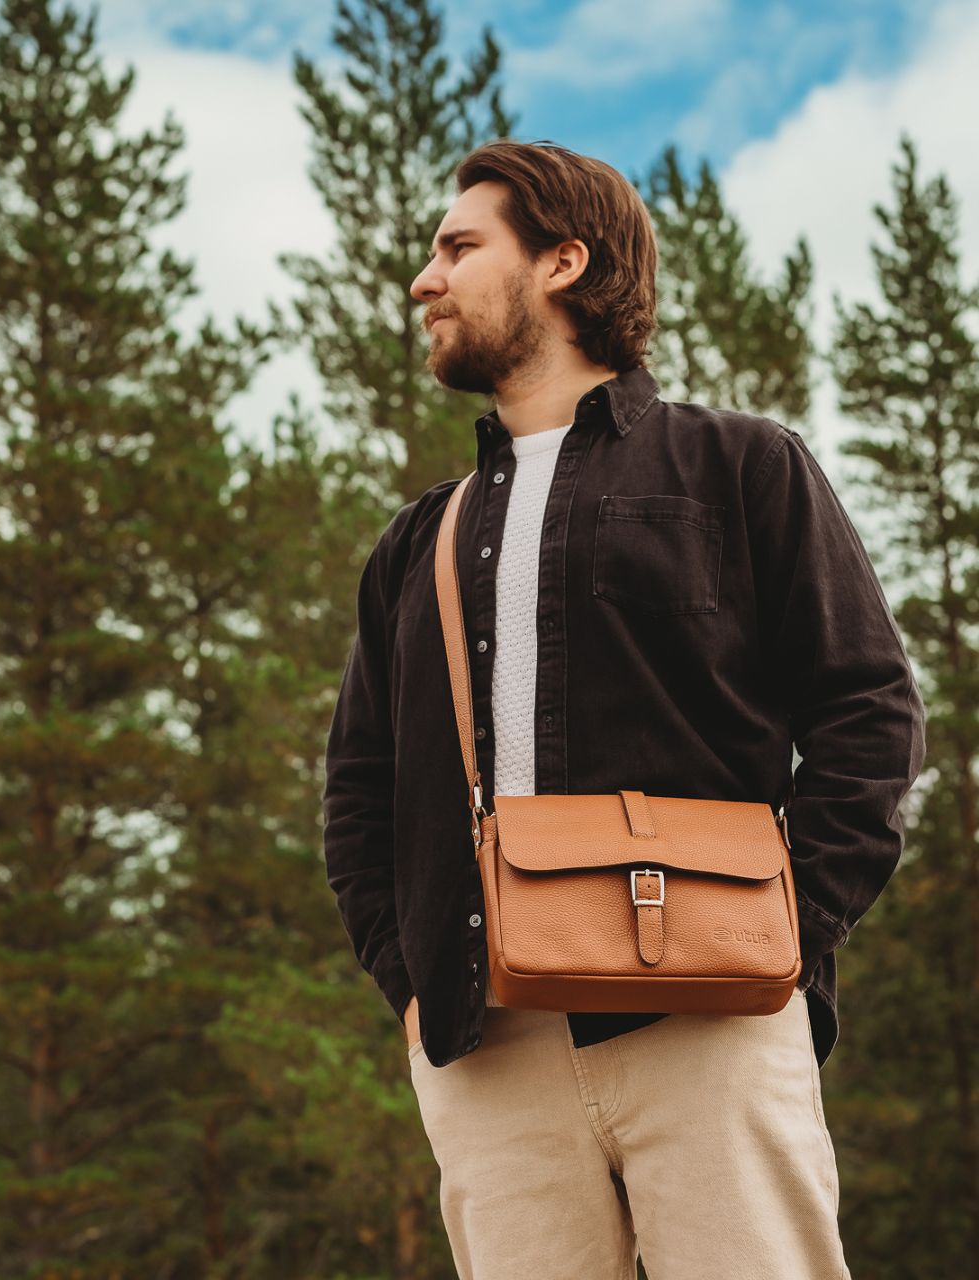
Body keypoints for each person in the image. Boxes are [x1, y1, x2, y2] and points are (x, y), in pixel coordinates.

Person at [322, 139, 926, 1280]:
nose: (423, 279)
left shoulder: (743, 466)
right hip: (487, 1052)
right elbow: (360, 791)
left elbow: (870, 711)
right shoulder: (415, 541)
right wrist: (409, 982)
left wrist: (785, 934)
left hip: (713, 1026)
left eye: (458, 248)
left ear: (562, 262)